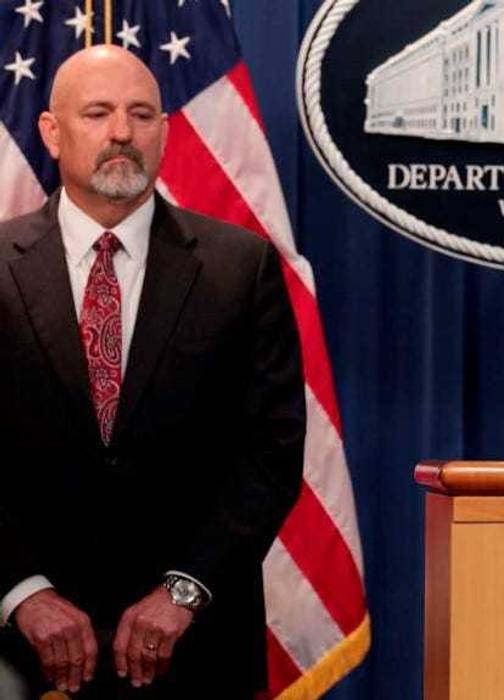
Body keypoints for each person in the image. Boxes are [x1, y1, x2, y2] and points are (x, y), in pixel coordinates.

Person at [0, 46, 304, 698]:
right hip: (17, 649)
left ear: (164, 133)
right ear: (52, 133)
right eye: (98, 113)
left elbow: (271, 456)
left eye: (141, 114)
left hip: (195, 644)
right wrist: (23, 593)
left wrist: (184, 590)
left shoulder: (240, 267)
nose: (120, 133)